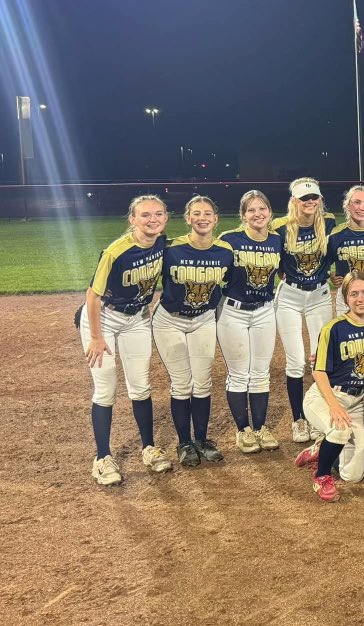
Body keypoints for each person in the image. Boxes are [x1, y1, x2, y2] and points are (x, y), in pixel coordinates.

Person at [79, 194, 171, 485]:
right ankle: (102, 458)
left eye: (158, 214)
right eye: (145, 215)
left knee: (141, 385)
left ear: (165, 218)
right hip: (104, 318)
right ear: (132, 219)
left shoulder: (161, 242)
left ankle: (148, 448)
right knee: (106, 388)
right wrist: (95, 336)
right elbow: (93, 295)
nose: (152, 219)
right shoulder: (116, 251)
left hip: (136, 319)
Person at [152, 195, 233, 467]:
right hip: (170, 320)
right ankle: (184, 443)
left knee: (203, 382)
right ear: (187, 218)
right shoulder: (171, 248)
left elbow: (234, 283)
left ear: (215, 218)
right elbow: (141, 274)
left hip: (203, 320)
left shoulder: (225, 251)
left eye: (207, 213)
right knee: (182, 383)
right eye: (196, 213)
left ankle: (201, 439)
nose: (202, 218)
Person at [294, 272, 364, 502]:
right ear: (345, 298)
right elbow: (318, 372)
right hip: (326, 396)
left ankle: (320, 449)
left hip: (356, 401)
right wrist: (334, 407)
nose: (360, 299)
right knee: (340, 430)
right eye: (353, 294)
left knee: (352, 475)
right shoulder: (334, 328)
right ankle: (321, 476)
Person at [217, 190, 283, 454]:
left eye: (262, 208)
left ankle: (260, 428)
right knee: (239, 374)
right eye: (252, 210)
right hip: (233, 311)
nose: (258, 214)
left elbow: (286, 270)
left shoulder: (277, 240)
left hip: (264, 311)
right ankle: (242, 430)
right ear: (243, 215)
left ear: (269, 212)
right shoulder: (229, 240)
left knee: (260, 374)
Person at [273, 177, 336, 443]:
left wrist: (338, 274)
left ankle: (318, 414)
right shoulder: (279, 228)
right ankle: (298, 418)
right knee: (296, 360)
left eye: (314, 198)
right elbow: (270, 258)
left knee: (318, 357)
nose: (310, 203)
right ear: (294, 201)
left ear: (320, 200)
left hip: (320, 295)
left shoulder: (330, 222)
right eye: (304, 198)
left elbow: (339, 252)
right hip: (289, 295)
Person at [328, 184, 364, 315]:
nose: (362, 207)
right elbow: (324, 262)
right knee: (347, 334)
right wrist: (331, 275)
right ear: (348, 205)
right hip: (347, 294)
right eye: (357, 202)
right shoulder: (336, 235)